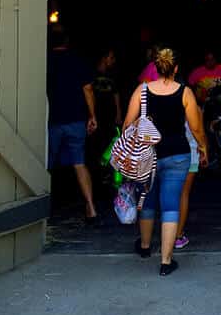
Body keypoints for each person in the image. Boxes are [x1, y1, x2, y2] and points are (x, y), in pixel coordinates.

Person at [123, 48, 208, 275]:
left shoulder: (141, 92)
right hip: (177, 154)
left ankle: (144, 247)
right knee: (171, 204)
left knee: (148, 201)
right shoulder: (185, 93)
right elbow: (196, 127)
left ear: (156, 68)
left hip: (147, 155)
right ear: (176, 69)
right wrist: (203, 147)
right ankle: (166, 261)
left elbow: (127, 126)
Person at [47, 29, 98, 222]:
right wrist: (92, 116)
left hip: (52, 120)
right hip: (76, 119)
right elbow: (88, 88)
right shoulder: (77, 60)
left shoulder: (45, 59)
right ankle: (91, 208)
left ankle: (42, 211)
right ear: (67, 42)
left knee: (46, 165)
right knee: (79, 163)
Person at [88, 47, 123, 187]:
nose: (113, 61)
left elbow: (116, 94)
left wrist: (119, 113)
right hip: (96, 116)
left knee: (110, 145)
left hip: (109, 116)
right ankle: (96, 177)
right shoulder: (91, 73)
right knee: (95, 146)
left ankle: (108, 175)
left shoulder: (113, 75)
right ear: (104, 57)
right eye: (111, 57)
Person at [174, 123, 199, 251]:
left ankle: (167, 234)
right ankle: (178, 236)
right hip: (190, 153)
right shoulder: (191, 105)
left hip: (168, 154)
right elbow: (197, 129)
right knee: (184, 194)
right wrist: (204, 145)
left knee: (169, 195)